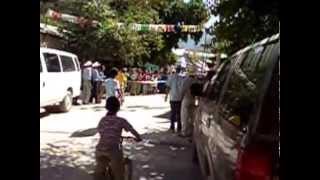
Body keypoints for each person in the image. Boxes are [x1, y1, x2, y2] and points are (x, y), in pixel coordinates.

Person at [94, 96, 142, 180]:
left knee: (99, 173)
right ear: (118, 108)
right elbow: (132, 130)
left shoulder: (102, 120)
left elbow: (101, 132)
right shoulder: (121, 120)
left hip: (100, 149)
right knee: (119, 175)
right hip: (113, 150)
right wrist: (138, 137)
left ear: (106, 108)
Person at [165, 66, 185, 133]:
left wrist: (166, 96)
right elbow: (183, 88)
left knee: (173, 113)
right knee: (179, 113)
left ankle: (172, 127)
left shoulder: (171, 77)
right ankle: (179, 127)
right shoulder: (182, 78)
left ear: (176, 70)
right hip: (179, 98)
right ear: (180, 70)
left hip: (173, 97)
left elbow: (168, 87)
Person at [180, 67, 198, 137]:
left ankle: (184, 132)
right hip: (193, 99)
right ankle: (191, 132)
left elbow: (182, 90)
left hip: (186, 98)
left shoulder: (186, 80)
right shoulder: (196, 80)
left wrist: (181, 98)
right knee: (191, 116)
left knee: (184, 116)